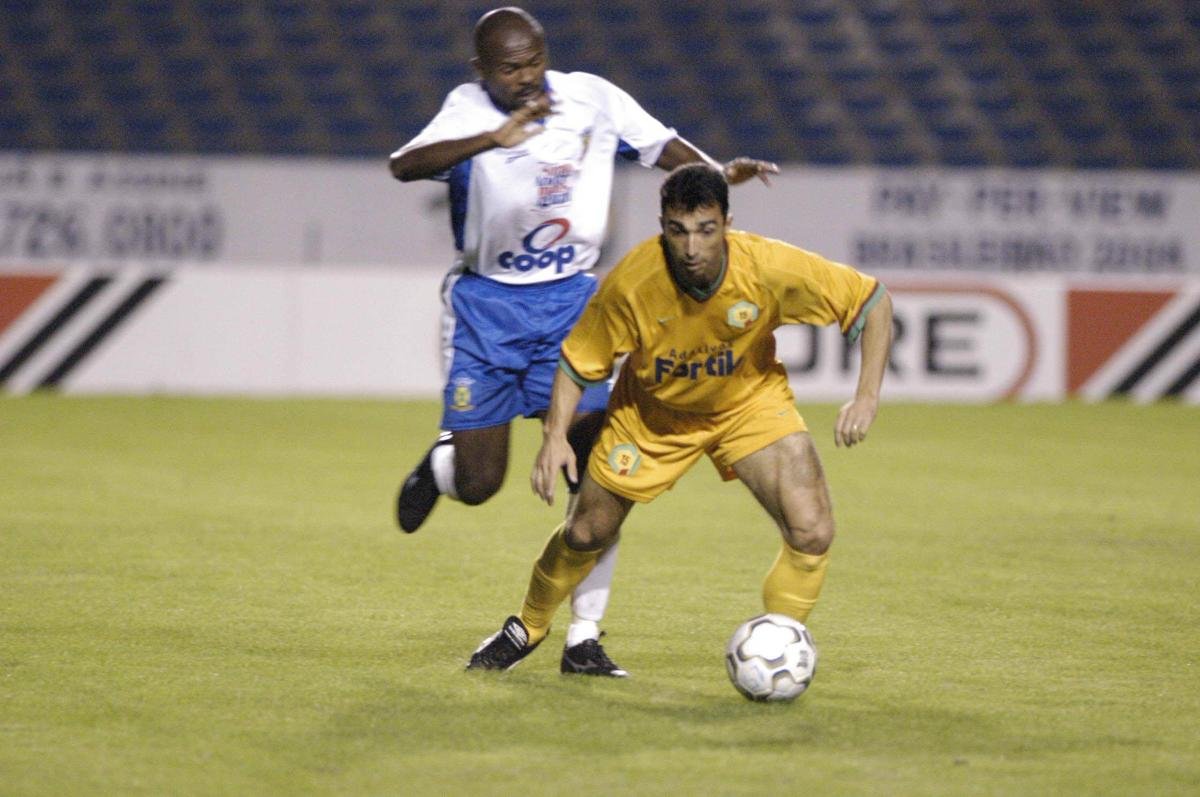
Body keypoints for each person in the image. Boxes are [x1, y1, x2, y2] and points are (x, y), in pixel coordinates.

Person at [389, 7, 778, 676]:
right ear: (482, 70)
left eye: (534, 61)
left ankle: (584, 637)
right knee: (483, 482)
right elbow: (403, 165)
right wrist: (491, 138)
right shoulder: (465, 109)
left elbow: (663, 148)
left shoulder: (591, 98)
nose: (526, 76)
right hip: (487, 305)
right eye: (509, 68)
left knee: (601, 466)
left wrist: (717, 176)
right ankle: (445, 465)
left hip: (572, 301)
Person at [466, 164, 893, 672]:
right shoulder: (633, 282)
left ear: (727, 223)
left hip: (747, 404)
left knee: (812, 530)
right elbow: (580, 360)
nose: (692, 248)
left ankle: (777, 646)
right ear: (662, 225)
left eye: (706, 230)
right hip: (651, 417)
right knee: (586, 533)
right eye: (678, 231)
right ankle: (529, 626)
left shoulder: (770, 267)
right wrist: (555, 435)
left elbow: (872, 302)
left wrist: (865, 398)